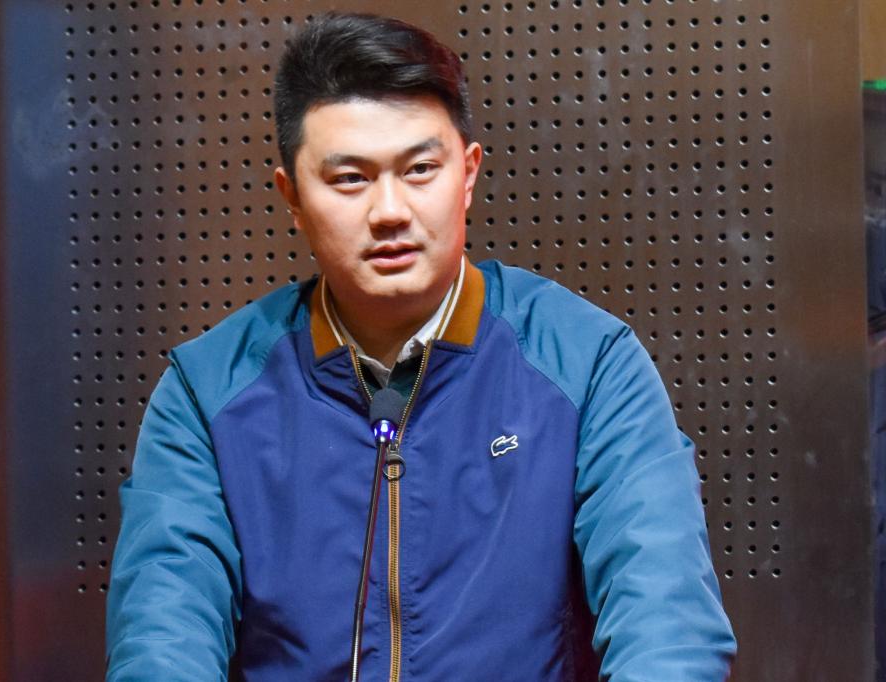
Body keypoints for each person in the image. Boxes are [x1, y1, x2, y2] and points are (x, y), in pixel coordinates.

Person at [105, 12, 736, 681]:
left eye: (420, 169)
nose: (390, 211)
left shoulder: (587, 363)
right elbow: (162, 638)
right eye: (350, 179)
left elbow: (668, 631)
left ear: (467, 174)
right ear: (292, 197)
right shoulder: (208, 392)